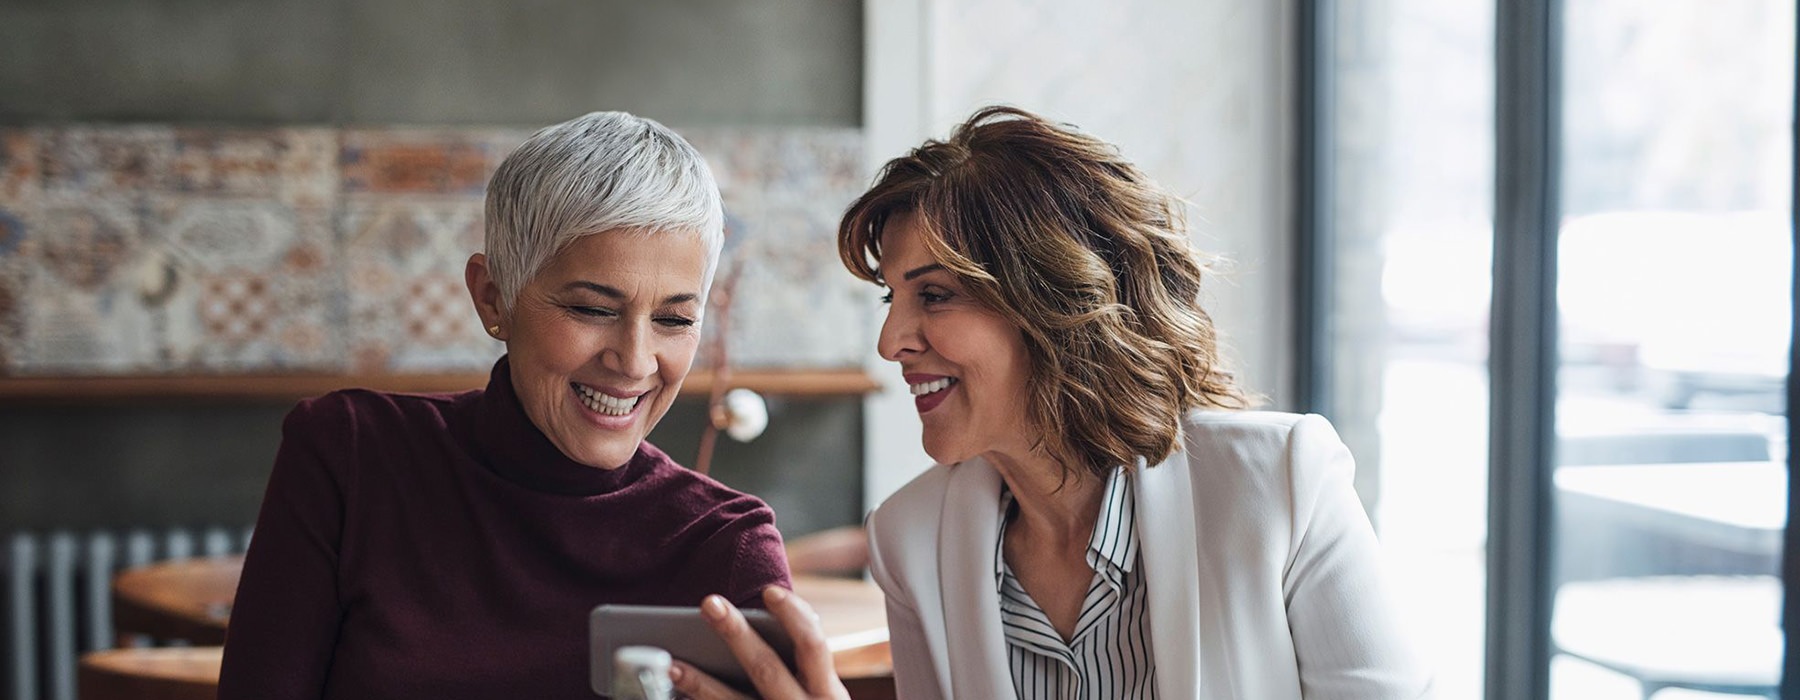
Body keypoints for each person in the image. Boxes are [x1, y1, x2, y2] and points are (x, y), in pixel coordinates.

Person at [674, 106, 1432, 700]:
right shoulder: (911, 541)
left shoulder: (1280, 484)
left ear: (1055, 304)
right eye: (891, 299)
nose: (892, 341)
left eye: (935, 295)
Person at [218, 111, 791, 700]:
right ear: (493, 297)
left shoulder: (726, 546)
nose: (636, 361)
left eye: (674, 320)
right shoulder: (351, 454)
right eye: (592, 309)